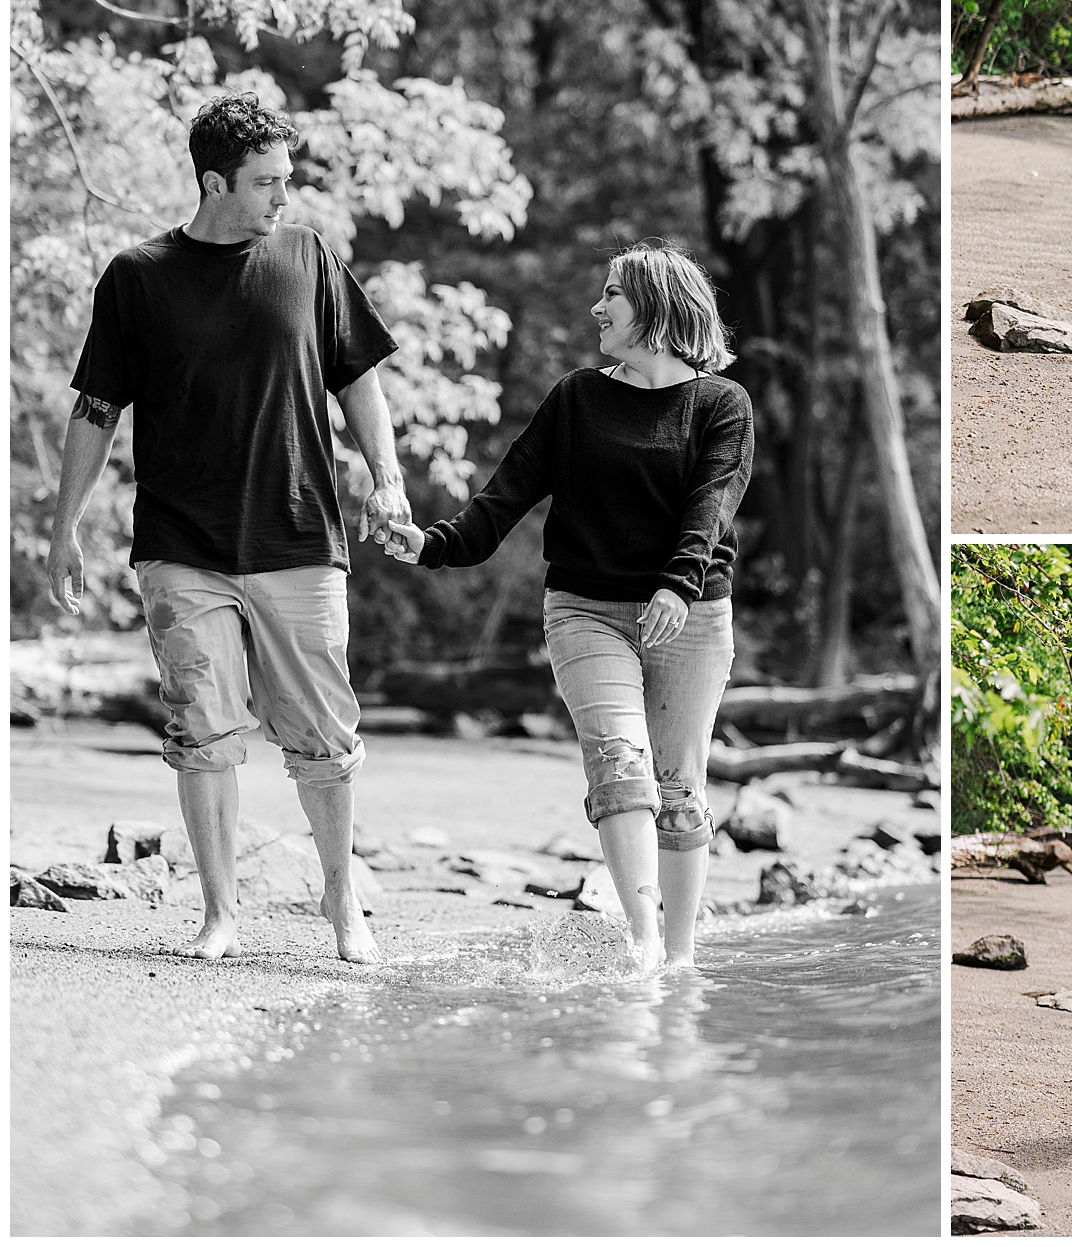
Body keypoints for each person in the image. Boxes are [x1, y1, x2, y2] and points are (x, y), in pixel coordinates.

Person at [47, 92, 409, 963]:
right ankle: (220, 915)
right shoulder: (138, 276)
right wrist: (66, 528)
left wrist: (386, 477)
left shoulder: (308, 257)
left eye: (288, 180)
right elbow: (97, 411)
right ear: (214, 182)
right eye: (266, 183)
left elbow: (358, 378)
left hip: (299, 538)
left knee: (325, 739)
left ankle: (341, 906)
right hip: (182, 545)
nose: (283, 198)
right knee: (202, 731)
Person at [384, 241, 754, 974]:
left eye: (612, 292)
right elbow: (506, 495)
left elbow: (712, 504)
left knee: (679, 791)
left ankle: (680, 961)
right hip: (585, 609)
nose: (597, 307)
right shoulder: (577, 398)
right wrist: (430, 544)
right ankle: (643, 944)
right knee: (621, 764)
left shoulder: (722, 406)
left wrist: (677, 584)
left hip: (693, 613)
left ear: (656, 305)